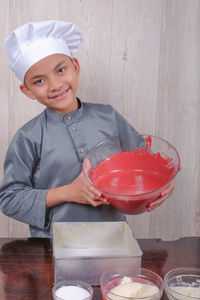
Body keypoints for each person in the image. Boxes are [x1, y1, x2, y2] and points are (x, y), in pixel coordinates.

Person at [0, 20, 174, 238]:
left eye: (61, 70)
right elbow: (9, 199)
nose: (54, 85)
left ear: (76, 67)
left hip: (113, 238)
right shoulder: (28, 137)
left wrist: (162, 185)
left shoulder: (108, 116)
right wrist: (68, 193)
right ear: (28, 91)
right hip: (53, 246)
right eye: (39, 81)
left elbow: (145, 164)